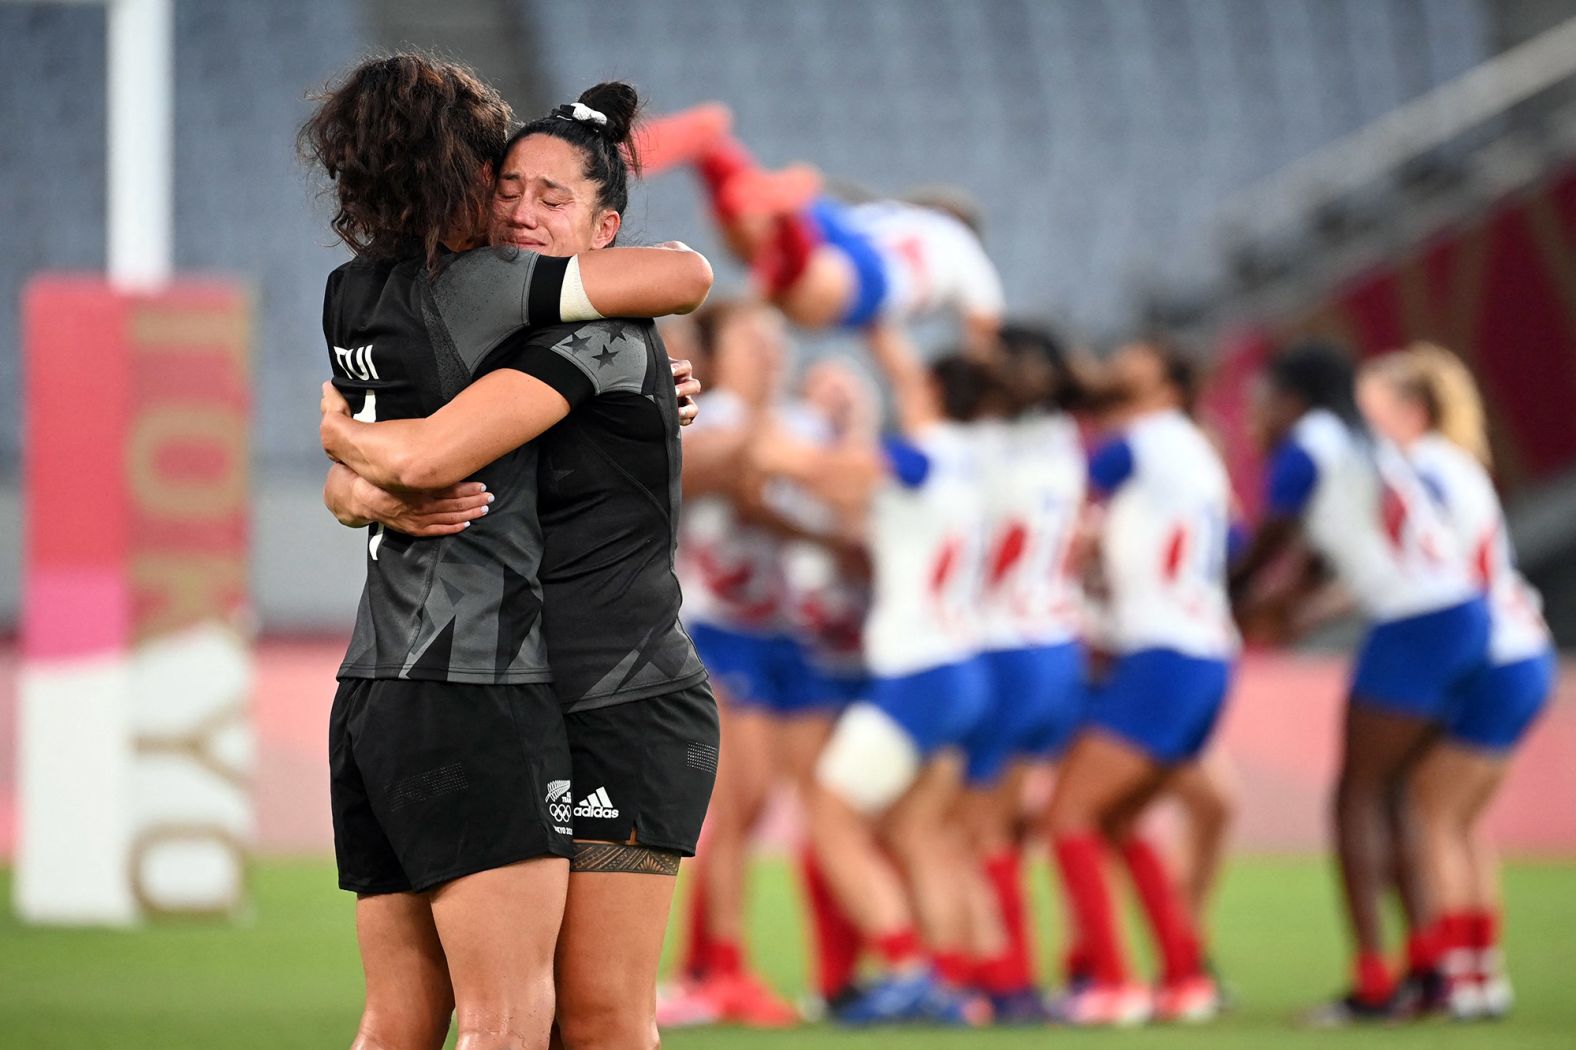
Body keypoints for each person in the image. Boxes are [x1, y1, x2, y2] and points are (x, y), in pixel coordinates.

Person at [305, 63, 713, 1050]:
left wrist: (344, 444)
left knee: (598, 1015)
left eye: (553, 196)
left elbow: (422, 447)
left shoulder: (596, 337)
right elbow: (411, 454)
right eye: (507, 190)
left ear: (604, 230)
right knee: (519, 1009)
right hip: (503, 693)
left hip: (613, 703)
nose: (523, 211)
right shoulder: (492, 316)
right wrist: (361, 482)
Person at [1230, 341, 1490, 1024]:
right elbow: (1326, 548)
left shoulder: (1308, 445)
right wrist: (1286, 609)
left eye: (1263, 400)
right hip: (1459, 613)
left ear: (1293, 398)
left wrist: (1230, 595)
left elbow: (1273, 542)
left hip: (1415, 622)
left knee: (1357, 797)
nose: (1255, 415)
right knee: (1397, 795)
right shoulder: (1359, 441)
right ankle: (1430, 969)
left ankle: (1373, 982)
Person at [758, 325, 996, 1025]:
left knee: (829, 812)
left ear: (932, 394)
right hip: (962, 668)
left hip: (919, 673)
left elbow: (833, 474)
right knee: (921, 832)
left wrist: (771, 443)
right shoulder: (972, 458)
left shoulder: (921, 456)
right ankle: (952, 983)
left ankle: (903, 967)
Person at [1359, 344, 1555, 1020]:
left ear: (1410, 411)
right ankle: (1481, 972)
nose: (1366, 425)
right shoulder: (1460, 464)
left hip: (1491, 656)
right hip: (1525, 651)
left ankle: (1452, 976)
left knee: (1429, 811)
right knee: (1463, 821)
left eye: (1374, 409)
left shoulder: (1421, 469)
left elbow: (1423, 558)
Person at [1044, 339, 1235, 1026]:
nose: (1122, 360)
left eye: (1140, 359)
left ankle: (1113, 982)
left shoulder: (1148, 438)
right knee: (1119, 818)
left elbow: (1079, 471)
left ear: (1169, 384)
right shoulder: (1195, 451)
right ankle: (1185, 978)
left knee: (1065, 814)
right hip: (1204, 651)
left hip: (1164, 654)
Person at [959, 323, 1089, 1021]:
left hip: (1003, 645)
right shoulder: (1063, 439)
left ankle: (1001, 981)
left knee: (977, 827)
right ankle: (1018, 975)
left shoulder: (984, 448)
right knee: (1008, 825)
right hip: (1057, 643)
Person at [638, 103, 1004, 349]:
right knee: (801, 301)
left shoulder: (903, 214)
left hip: (837, 221)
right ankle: (786, 217)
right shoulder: (965, 247)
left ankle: (714, 153)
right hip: (876, 277)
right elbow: (984, 334)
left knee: (753, 242)